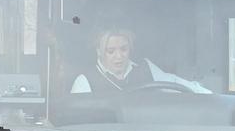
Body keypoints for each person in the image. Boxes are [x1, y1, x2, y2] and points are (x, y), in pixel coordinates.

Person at [70, 28, 209, 94]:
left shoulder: (146, 68)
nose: (119, 56)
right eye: (111, 51)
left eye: (124, 49)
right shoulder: (84, 82)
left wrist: (210, 96)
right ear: (99, 52)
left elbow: (175, 83)